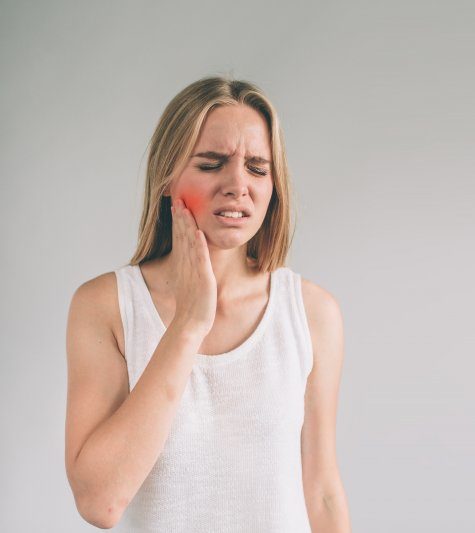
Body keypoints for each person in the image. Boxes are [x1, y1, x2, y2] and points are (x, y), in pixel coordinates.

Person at [64, 76, 351, 532]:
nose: (238, 185)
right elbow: (100, 502)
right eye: (212, 163)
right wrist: (188, 325)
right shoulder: (106, 307)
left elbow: (322, 491)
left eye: (257, 167)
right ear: (166, 178)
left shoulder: (312, 314)